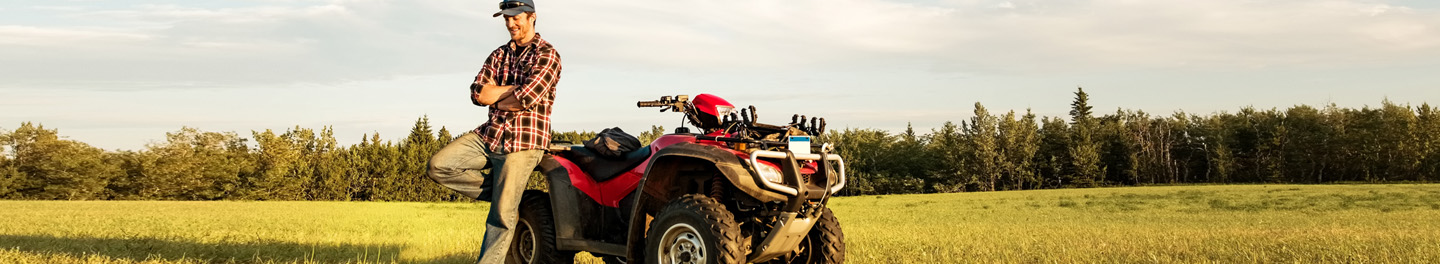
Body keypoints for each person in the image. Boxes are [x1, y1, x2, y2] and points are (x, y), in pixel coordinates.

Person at [426, 0, 561, 262]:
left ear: (532, 17)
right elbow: (477, 93)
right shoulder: (499, 54)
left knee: (500, 217)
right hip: (490, 134)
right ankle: (507, 195)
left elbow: (527, 97)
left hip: (524, 141)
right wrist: (512, 90)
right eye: (506, 19)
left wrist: (498, 93)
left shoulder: (547, 54)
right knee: (438, 166)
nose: (510, 24)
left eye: (515, 17)